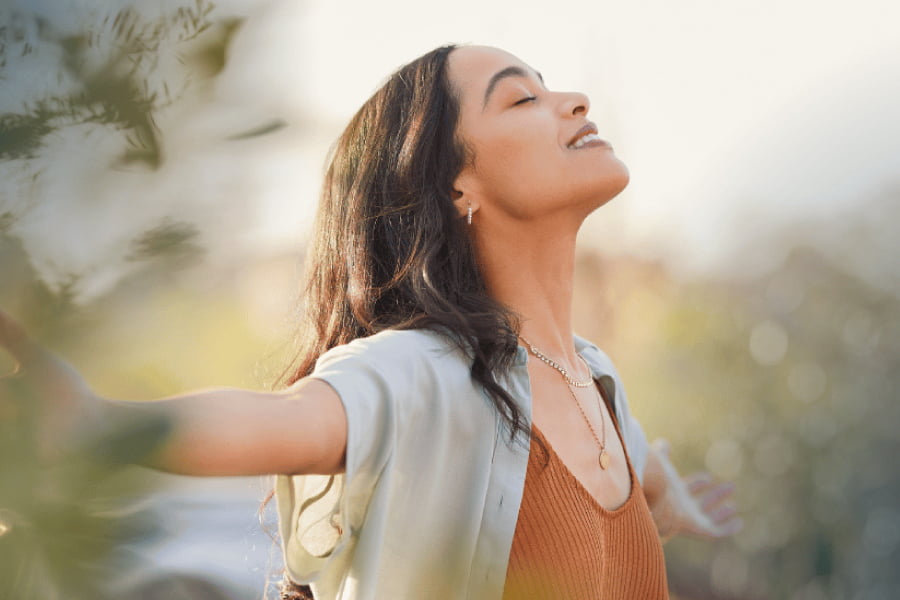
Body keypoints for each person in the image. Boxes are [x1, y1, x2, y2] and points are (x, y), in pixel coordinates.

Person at [0, 44, 741, 599]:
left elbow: (638, 471)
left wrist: (671, 501)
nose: (575, 101)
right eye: (521, 101)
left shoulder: (597, 379)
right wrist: (98, 426)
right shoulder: (426, 372)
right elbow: (289, 421)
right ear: (457, 185)